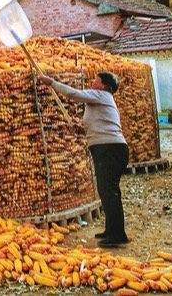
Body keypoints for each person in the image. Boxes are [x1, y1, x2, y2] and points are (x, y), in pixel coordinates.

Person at [39, 71, 130, 247]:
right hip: (110, 148)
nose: (93, 82)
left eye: (96, 80)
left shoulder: (101, 95)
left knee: (109, 192)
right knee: (109, 191)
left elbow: (74, 94)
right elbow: (97, 123)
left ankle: (117, 235)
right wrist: (80, 130)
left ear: (103, 85)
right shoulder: (100, 99)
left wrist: (52, 83)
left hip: (109, 149)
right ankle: (112, 230)